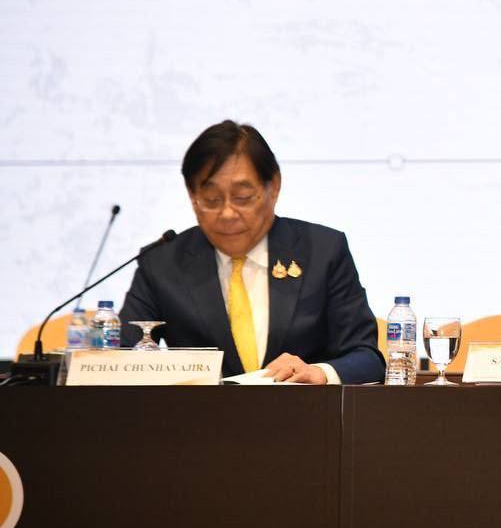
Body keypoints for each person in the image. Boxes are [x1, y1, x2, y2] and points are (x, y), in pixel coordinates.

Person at [120, 121, 384, 384]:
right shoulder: (162, 263)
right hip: (200, 412)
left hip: (303, 410)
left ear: (274, 186)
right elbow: (119, 357)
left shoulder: (323, 251)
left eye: (242, 197)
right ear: (192, 196)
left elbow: (367, 358)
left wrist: (320, 372)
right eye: (211, 200)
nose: (227, 213)